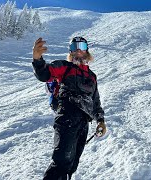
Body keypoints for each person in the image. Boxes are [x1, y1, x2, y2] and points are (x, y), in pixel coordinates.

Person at [32, 36, 107, 180]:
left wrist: (101, 120)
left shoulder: (92, 76)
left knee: (71, 166)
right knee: (61, 163)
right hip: (67, 117)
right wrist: (37, 60)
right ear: (70, 52)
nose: (78, 49)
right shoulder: (65, 67)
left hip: (84, 123)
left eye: (82, 46)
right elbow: (45, 73)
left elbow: (95, 100)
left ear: (87, 50)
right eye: (74, 47)